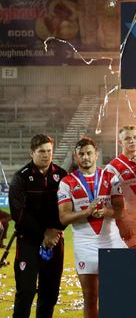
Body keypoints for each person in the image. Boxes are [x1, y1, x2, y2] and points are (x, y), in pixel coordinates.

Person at [57, 137, 124, 318]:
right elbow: (63, 218)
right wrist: (86, 212)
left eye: (89, 153)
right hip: (85, 242)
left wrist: (107, 212)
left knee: (115, 295)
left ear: (96, 155)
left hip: (111, 241)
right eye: (81, 154)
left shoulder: (111, 178)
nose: (85, 157)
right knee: (90, 297)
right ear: (75, 157)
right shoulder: (66, 182)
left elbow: (120, 211)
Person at [9, 134, 66, 318]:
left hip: (55, 242)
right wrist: (44, 233)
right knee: (25, 292)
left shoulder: (62, 176)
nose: (46, 155)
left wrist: (54, 233)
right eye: (41, 151)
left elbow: (68, 207)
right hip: (29, 242)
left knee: (49, 295)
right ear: (31, 152)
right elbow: (18, 213)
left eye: (49, 151)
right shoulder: (21, 178)